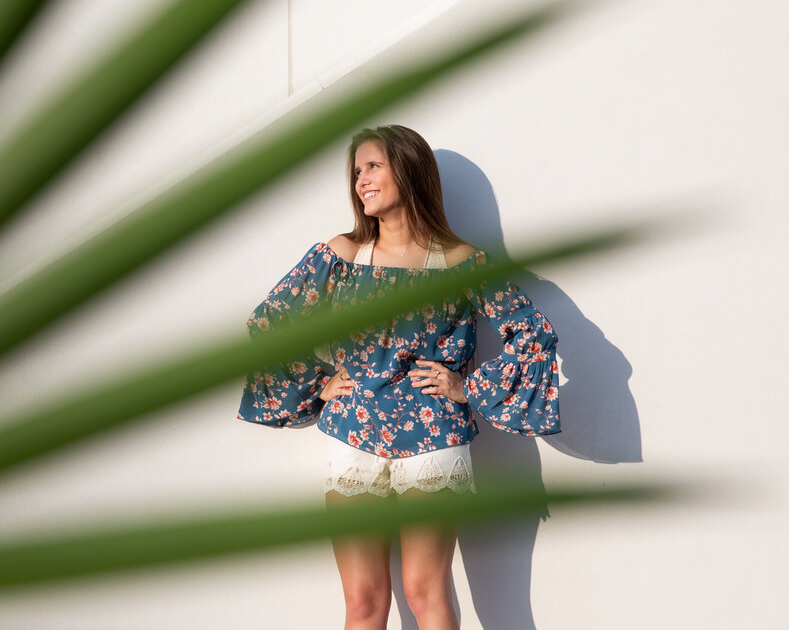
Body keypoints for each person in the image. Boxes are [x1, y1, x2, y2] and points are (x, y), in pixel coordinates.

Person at [238, 125, 561, 630]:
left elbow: (532, 335)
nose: (360, 178)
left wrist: (465, 387)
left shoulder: (461, 263)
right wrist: (318, 384)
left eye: (373, 166)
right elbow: (268, 322)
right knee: (364, 602)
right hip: (354, 432)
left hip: (433, 432)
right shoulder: (341, 255)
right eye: (356, 169)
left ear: (408, 170)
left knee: (425, 593)